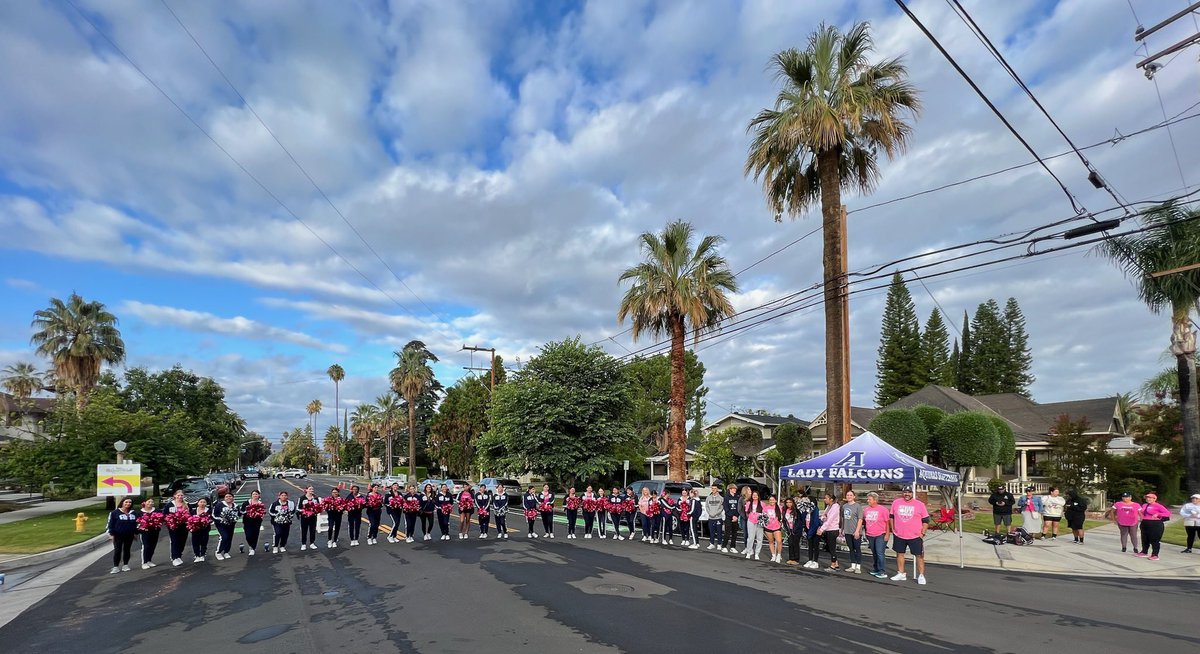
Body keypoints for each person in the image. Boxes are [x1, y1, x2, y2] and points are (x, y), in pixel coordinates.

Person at [889, 488, 930, 585]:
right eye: (905, 492)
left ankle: (921, 575)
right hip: (899, 535)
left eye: (909, 492)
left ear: (912, 493)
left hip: (915, 536)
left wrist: (922, 533)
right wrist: (893, 528)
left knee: (919, 556)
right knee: (900, 553)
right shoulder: (896, 503)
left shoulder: (920, 504)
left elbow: (926, 520)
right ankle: (901, 573)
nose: (907, 494)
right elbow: (891, 517)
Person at [862, 492, 891, 578]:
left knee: (879, 552)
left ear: (875, 500)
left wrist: (887, 534)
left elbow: (887, 523)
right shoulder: (866, 510)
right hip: (870, 534)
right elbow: (864, 521)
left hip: (880, 534)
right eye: (868, 499)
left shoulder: (883, 510)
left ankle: (882, 571)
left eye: (869, 499)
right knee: (874, 553)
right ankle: (876, 569)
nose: (868, 501)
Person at [106, 497, 138, 574]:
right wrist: (111, 534)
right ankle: (115, 567)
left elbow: (136, 524)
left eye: (130, 502)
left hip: (129, 535)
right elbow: (111, 524)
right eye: (126, 502)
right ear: (122, 503)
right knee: (117, 550)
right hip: (118, 535)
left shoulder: (134, 513)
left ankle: (125, 565)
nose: (128, 504)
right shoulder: (115, 513)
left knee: (127, 550)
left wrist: (135, 533)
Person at [1137, 491, 1172, 560]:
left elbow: (1168, 513)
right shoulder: (1144, 505)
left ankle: (1155, 554)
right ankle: (1144, 552)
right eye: (1147, 498)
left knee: (1154, 539)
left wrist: (1158, 514)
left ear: (1154, 499)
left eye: (1150, 498)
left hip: (1155, 523)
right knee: (1144, 538)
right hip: (1145, 523)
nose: (1148, 499)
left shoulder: (1158, 506)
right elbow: (1141, 512)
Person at [162, 489, 192, 567]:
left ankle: (179, 555)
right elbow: (164, 514)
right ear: (174, 496)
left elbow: (191, 514)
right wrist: (169, 521)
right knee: (175, 541)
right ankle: (174, 557)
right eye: (178, 495)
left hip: (184, 525)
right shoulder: (169, 504)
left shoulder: (187, 504)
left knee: (182, 541)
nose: (180, 497)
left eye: (181, 495)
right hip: (173, 526)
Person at [817, 492, 841, 571]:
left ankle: (833, 565)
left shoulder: (835, 507)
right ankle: (836, 563)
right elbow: (823, 516)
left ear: (831, 499)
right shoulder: (828, 507)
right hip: (828, 529)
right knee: (829, 548)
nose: (824, 500)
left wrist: (821, 529)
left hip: (833, 529)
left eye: (826, 498)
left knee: (832, 548)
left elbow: (829, 520)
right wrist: (824, 517)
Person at [842, 490, 864, 573]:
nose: (849, 496)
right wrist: (842, 529)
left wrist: (857, 531)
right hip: (847, 531)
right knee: (851, 548)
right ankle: (853, 565)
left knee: (857, 548)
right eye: (848, 495)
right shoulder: (844, 506)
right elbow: (843, 518)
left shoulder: (858, 506)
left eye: (851, 495)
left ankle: (858, 566)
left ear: (854, 496)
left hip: (855, 531)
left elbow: (860, 519)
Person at [213, 492, 240, 559]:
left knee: (229, 538)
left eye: (230, 496)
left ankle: (226, 552)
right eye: (226, 496)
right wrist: (221, 519)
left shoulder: (236, 506)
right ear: (224, 498)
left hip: (231, 525)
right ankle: (218, 552)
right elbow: (214, 515)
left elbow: (238, 514)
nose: (228, 498)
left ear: (233, 498)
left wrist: (234, 519)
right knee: (224, 537)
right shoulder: (219, 505)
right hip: (221, 525)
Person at [136, 499, 162, 569]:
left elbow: (161, 519)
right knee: (146, 546)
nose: (150, 503)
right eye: (149, 502)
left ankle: (149, 560)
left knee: (152, 546)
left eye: (152, 502)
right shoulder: (140, 512)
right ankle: (144, 562)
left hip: (155, 531)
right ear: (144, 503)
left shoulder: (157, 511)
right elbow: (137, 522)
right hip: (145, 532)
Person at [799, 494, 822, 569]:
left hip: (815, 530)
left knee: (815, 546)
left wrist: (810, 533)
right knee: (810, 546)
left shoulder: (815, 509)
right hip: (808, 530)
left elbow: (815, 522)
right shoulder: (806, 510)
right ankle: (810, 560)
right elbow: (803, 519)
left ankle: (815, 561)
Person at [240, 489, 265, 555]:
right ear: (251, 495)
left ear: (259, 495)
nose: (255, 495)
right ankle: (250, 545)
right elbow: (242, 511)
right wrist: (248, 511)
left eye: (256, 494)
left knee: (255, 534)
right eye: (253, 494)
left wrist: (259, 514)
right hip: (247, 521)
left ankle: (252, 548)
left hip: (257, 521)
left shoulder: (260, 503)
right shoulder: (246, 503)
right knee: (248, 535)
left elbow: (263, 512)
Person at [298, 487, 322, 551]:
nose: (312, 490)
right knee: (304, 530)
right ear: (306, 490)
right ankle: (303, 544)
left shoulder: (315, 498)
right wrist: (305, 511)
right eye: (310, 489)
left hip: (313, 517)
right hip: (304, 517)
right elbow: (298, 508)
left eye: (312, 489)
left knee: (313, 530)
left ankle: (312, 543)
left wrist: (316, 510)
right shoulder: (302, 498)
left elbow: (319, 507)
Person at [762, 495, 783, 563]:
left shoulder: (779, 507)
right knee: (771, 541)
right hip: (768, 527)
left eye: (773, 500)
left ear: (776, 500)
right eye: (770, 500)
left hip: (777, 527)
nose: (771, 501)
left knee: (779, 541)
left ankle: (779, 555)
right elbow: (763, 517)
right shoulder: (766, 508)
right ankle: (773, 555)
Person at [744, 491, 764, 560]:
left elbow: (765, 513)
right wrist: (751, 517)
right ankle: (749, 552)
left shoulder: (762, 503)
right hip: (751, 521)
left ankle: (757, 553)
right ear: (752, 496)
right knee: (750, 538)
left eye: (756, 495)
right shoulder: (748, 503)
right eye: (753, 495)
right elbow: (747, 513)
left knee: (759, 538)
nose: (755, 496)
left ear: (758, 496)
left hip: (759, 522)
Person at [191, 498, 213, 562]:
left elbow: (211, 519)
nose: (202, 503)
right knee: (195, 542)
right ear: (198, 503)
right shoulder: (193, 511)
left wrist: (207, 521)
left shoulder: (209, 510)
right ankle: (197, 555)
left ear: (206, 503)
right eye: (201, 502)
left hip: (205, 529)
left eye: (204, 502)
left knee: (204, 542)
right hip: (195, 529)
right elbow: (190, 519)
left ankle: (203, 554)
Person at [781, 497, 801, 564]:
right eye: (787, 502)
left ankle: (796, 559)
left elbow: (799, 521)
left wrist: (795, 529)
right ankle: (791, 558)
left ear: (792, 503)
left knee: (795, 544)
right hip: (789, 530)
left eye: (790, 502)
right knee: (790, 544)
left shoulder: (797, 511)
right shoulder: (785, 510)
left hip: (796, 530)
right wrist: (787, 529)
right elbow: (784, 520)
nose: (788, 504)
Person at [705, 483, 725, 549]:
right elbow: (707, 506)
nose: (713, 490)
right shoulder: (708, 498)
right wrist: (710, 513)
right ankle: (712, 543)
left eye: (715, 488)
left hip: (718, 518)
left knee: (719, 532)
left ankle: (719, 544)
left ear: (717, 489)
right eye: (712, 488)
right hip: (711, 518)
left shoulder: (721, 498)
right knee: (711, 532)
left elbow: (722, 507)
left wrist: (716, 513)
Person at [721, 483, 740, 553]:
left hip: (735, 517)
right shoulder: (726, 497)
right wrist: (732, 516)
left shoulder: (737, 497)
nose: (735, 490)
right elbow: (726, 509)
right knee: (727, 533)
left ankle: (732, 547)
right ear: (730, 489)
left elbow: (738, 508)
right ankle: (724, 546)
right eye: (733, 488)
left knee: (735, 533)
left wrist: (736, 516)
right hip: (728, 517)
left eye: (735, 488)